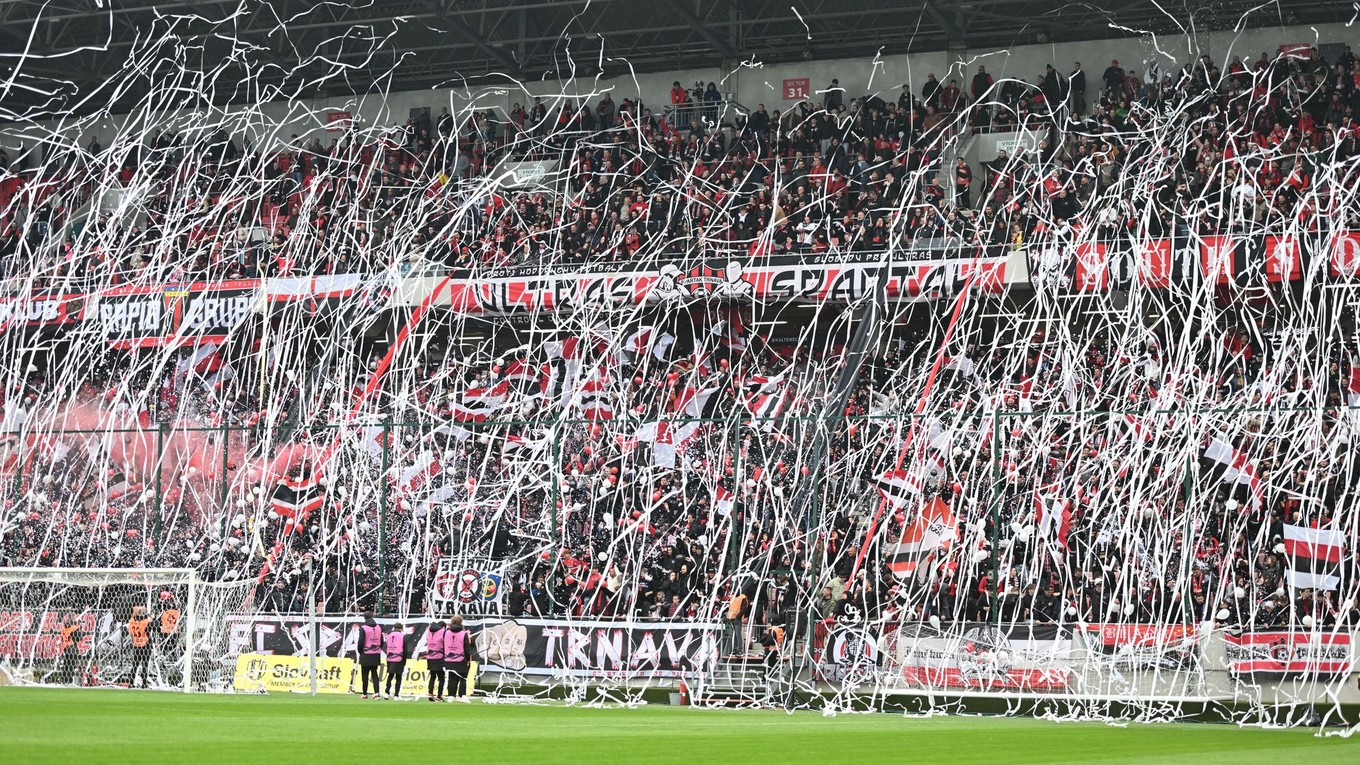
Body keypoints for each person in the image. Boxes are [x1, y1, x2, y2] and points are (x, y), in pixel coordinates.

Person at [444, 616, 473, 703]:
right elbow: (467, 648)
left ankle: (451, 696)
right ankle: (462, 695)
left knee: (452, 678)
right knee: (463, 678)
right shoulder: (463, 634)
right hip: (461, 659)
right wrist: (468, 659)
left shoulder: (446, 632)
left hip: (448, 659)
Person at [357, 610, 384, 699]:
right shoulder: (379, 627)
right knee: (374, 673)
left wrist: (360, 651)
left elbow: (361, 642)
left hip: (366, 653)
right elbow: (382, 641)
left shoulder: (364, 628)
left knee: (364, 674)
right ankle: (376, 693)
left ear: (364, 617)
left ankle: (364, 694)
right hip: (376, 654)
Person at [383, 622, 409, 699]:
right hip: (399, 658)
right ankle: (396, 695)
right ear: (401, 628)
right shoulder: (403, 636)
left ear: (394, 628)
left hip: (390, 658)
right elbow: (405, 650)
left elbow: (386, 646)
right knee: (398, 677)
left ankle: (387, 693)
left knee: (390, 676)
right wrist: (404, 660)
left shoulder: (388, 635)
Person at [128, 606, 151, 689]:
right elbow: (152, 628)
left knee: (135, 665)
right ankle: (144, 684)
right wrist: (151, 618)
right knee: (145, 664)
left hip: (136, 644)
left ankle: (131, 683)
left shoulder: (131, 622)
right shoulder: (145, 622)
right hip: (145, 644)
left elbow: (130, 632)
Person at [424, 618, 447, 701]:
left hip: (430, 657)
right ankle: (439, 695)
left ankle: (430, 693)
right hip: (439, 657)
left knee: (432, 676)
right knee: (441, 678)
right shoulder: (443, 632)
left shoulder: (429, 631)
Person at [58, 614, 82, 685]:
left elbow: (62, 639)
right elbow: (78, 639)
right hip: (73, 648)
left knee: (66, 665)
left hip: (66, 648)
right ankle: (69, 681)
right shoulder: (74, 628)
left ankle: (64, 680)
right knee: (71, 665)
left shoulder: (64, 629)